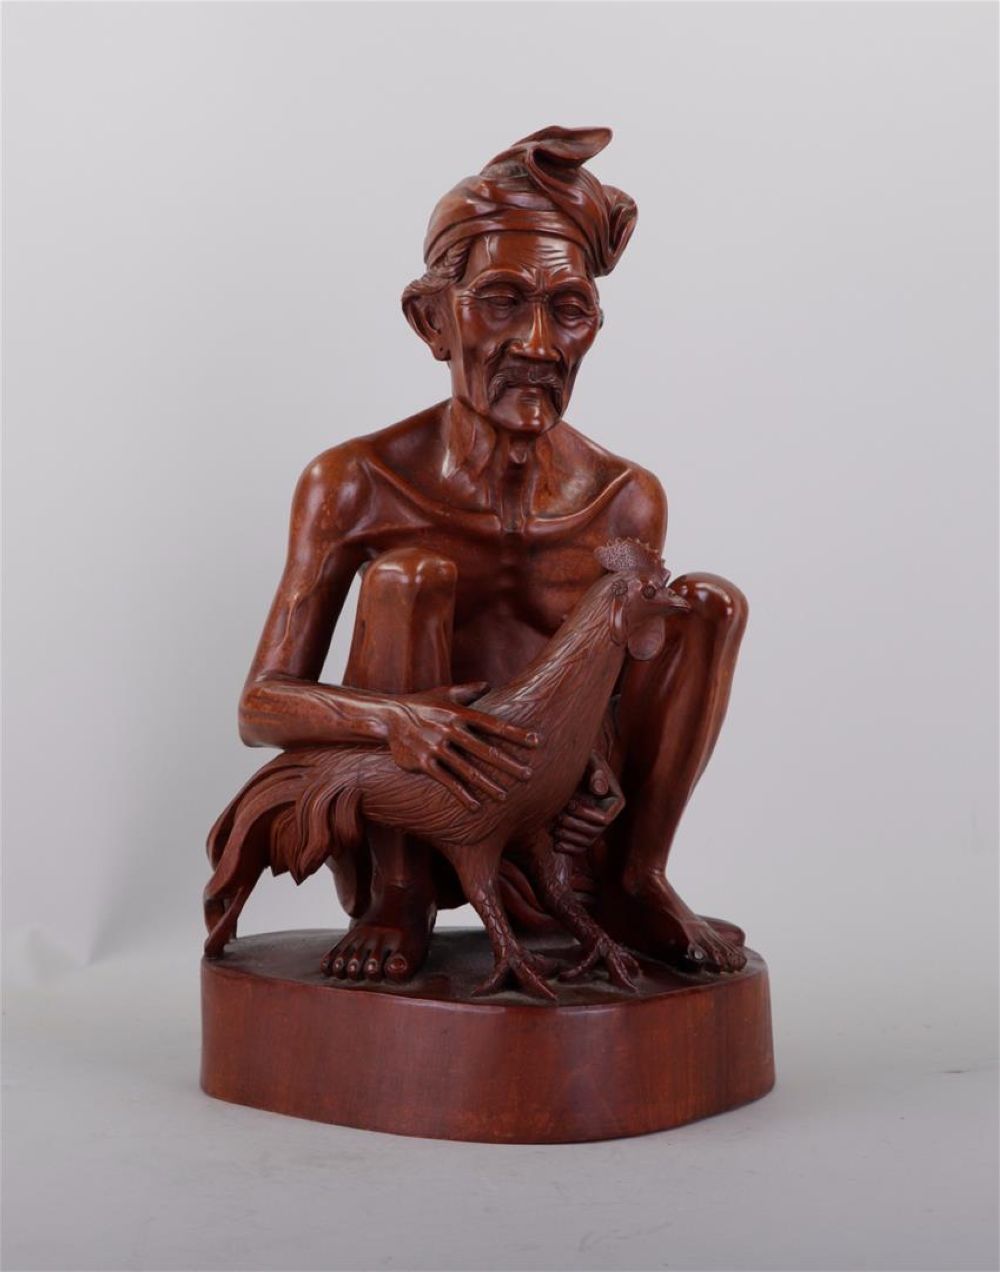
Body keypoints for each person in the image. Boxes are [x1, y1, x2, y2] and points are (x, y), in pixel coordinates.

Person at [233, 127, 749, 983]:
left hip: (553, 817)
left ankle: (637, 878)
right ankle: (398, 896)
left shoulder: (625, 497)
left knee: (707, 605)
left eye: (569, 310)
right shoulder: (355, 481)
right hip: (408, 801)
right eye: (502, 300)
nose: (538, 344)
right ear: (433, 319)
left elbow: (618, 685)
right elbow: (261, 704)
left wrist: (602, 781)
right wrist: (398, 721)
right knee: (409, 576)